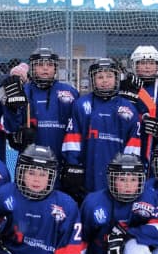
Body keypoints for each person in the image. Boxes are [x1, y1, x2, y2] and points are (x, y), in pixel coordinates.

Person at [60, 58, 143, 199]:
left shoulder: (128, 108)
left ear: (117, 78)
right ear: (93, 80)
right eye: (100, 77)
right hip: (89, 168)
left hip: (118, 172)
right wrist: (73, 165)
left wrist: (130, 169)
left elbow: (133, 144)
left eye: (109, 76)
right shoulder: (82, 104)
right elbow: (73, 138)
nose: (105, 80)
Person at [1, 47, 80, 162]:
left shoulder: (70, 93)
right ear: (32, 68)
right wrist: (12, 113)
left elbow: (76, 128)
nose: (45, 68)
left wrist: (73, 162)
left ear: (55, 68)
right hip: (30, 159)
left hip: (61, 158)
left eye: (49, 64)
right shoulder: (22, 91)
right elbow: (10, 128)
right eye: (40, 64)